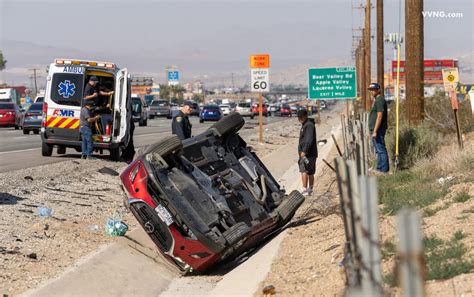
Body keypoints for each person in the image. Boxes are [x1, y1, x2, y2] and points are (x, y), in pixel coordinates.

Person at [368, 82, 389, 173]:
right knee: (378, 149)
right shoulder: (377, 100)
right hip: (376, 129)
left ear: (378, 90)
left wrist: (375, 130)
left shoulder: (380, 100)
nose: (372, 92)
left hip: (378, 129)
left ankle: (384, 170)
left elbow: (379, 116)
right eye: (371, 90)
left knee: (381, 149)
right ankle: (379, 168)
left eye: (373, 90)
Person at [297, 109, 318, 196]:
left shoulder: (308, 125)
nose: (300, 119)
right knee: (310, 171)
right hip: (311, 153)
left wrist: (304, 151)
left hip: (307, 154)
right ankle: (310, 190)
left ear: (305, 116)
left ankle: (305, 189)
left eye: (301, 117)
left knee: (304, 170)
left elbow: (308, 140)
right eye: (299, 118)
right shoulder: (306, 124)